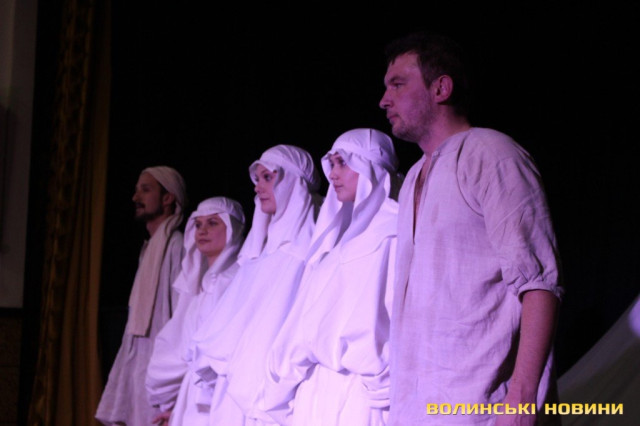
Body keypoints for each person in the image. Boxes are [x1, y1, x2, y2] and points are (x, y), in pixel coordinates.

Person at [378, 31, 563, 425]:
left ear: (440, 88)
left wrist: (522, 400)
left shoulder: (492, 154)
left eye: (398, 84)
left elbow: (540, 284)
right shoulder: (412, 178)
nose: (384, 100)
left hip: (482, 407)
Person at [263, 128, 401, 426]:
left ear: (370, 167)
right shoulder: (333, 245)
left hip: (361, 397)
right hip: (315, 391)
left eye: (343, 163)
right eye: (332, 164)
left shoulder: (394, 233)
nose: (333, 174)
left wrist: (384, 389)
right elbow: (301, 327)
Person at [190, 145, 322, 425]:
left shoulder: (302, 252)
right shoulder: (261, 254)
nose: (258, 187)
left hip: (271, 396)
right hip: (237, 392)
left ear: (291, 182)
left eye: (267, 177)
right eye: (257, 179)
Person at [96, 166, 187, 425]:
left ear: (168, 198)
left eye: (145, 190)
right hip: (138, 354)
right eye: (137, 191)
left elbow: (181, 312)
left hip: (158, 359)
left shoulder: (176, 244)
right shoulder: (150, 247)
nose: (136, 198)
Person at [146, 197, 246, 426]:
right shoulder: (199, 289)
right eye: (198, 224)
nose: (202, 231)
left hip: (222, 396)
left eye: (213, 223)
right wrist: (176, 406)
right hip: (193, 397)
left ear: (233, 229)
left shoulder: (235, 281)